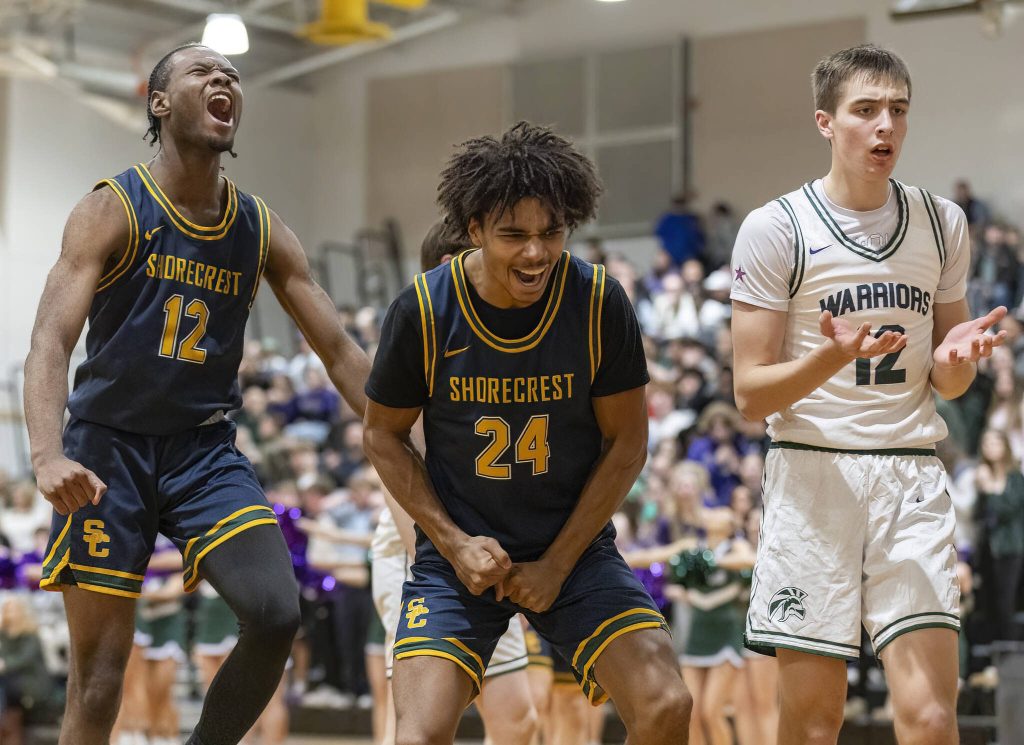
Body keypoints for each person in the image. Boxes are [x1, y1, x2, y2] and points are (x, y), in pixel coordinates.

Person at [23, 43, 370, 745]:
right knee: (97, 679)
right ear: (159, 101)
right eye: (202, 72)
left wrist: (410, 438)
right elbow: (50, 341)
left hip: (202, 450)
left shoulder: (259, 225)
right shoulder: (111, 207)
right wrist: (45, 454)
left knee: (275, 612)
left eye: (232, 75)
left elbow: (338, 350)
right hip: (105, 451)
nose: (223, 80)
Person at [363, 121, 691, 745]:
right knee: (420, 733)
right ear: (477, 229)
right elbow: (381, 436)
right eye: (515, 235)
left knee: (666, 705)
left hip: (574, 550)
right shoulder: (424, 310)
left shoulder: (599, 303)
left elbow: (628, 444)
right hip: (458, 558)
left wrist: (558, 562)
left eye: (552, 234)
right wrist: (455, 543)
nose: (536, 253)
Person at [730, 43, 1007, 745]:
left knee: (930, 716)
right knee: (815, 722)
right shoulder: (776, 228)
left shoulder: (942, 223)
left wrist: (952, 360)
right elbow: (750, 396)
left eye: (899, 110)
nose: (886, 125)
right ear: (826, 122)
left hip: (909, 473)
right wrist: (830, 355)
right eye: (866, 110)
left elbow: (950, 376)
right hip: (811, 474)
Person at [369, 219, 538, 745]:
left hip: (486, 545)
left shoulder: (508, 341)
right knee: (422, 723)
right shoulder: (422, 333)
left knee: (518, 722)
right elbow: (390, 454)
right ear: (452, 267)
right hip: (421, 544)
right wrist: (433, 554)